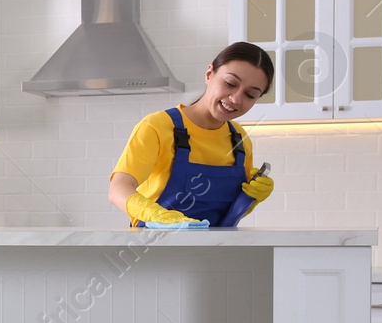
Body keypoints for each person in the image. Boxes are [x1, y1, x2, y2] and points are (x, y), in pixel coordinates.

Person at [109, 42, 278, 228]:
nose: (236, 99)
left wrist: (250, 198)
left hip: (216, 252)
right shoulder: (158, 126)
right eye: (230, 83)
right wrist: (157, 216)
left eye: (250, 95)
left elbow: (228, 213)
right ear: (209, 74)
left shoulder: (238, 138)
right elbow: (118, 189)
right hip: (155, 248)